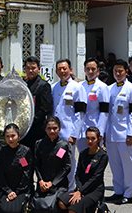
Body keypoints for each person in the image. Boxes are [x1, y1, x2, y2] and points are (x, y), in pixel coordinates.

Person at [106, 61, 132, 204]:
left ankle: (129, 192)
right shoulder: (109, 88)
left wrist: (131, 133)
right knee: (114, 164)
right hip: (111, 133)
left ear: (127, 72)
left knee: (127, 164)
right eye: (115, 71)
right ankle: (118, 190)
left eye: (120, 71)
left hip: (125, 133)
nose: (118, 74)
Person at [51, 58, 85, 189]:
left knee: (69, 161)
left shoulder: (77, 88)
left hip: (69, 133)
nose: (62, 71)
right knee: (57, 160)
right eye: (59, 69)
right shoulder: (53, 87)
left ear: (71, 70)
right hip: (55, 133)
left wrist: (74, 134)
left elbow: (81, 113)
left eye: (65, 68)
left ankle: (71, 188)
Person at [58, 127, 109, 213]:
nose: (90, 141)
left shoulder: (103, 156)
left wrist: (80, 192)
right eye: (88, 138)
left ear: (98, 139)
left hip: (94, 189)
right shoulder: (83, 153)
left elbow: (96, 177)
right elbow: (78, 174)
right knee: (61, 203)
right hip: (80, 187)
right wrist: (78, 189)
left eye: (93, 139)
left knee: (73, 209)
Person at [32, 117, 71, 213]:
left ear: (59, 129)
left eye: (55, 128)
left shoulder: (63, 145)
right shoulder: (39, 144)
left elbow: (67, 167)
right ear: (45, 129)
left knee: (59, 205)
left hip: (59, 185)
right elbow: (36, 164)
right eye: (49, 128)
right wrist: (40, 181)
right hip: (43, 184)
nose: (52, 131)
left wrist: (52, 183)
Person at [0, 124, 34, 213]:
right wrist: (8, 191)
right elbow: (0, 172)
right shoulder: (2, 151)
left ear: (19, 136)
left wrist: (16, 192)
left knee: (15, 210)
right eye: (7, 136)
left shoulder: (25, 151)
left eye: (13, 136)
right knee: (4, 209)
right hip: (6, 188)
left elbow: (27, 173)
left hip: (21, 189)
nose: (10, 139)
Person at [22, 55, 53, 148]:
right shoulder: (23, 84)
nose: (30, 71)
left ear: (39, 69)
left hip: (37, 127)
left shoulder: (44, 85)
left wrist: (31, 120)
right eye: (28, 68)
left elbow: (45, 108)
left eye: (33, 68)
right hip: (24, 127)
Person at [78, 58, 109, 150]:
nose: (90, 71)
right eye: (88, 69)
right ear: (84, 70)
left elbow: (104, 112)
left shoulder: (102, 87)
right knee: (82, 158)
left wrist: (99, 132)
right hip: (81, 130)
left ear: (98, 71)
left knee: (94, 159)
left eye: (93, 69)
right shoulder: (80, 86)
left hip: (94, 129)